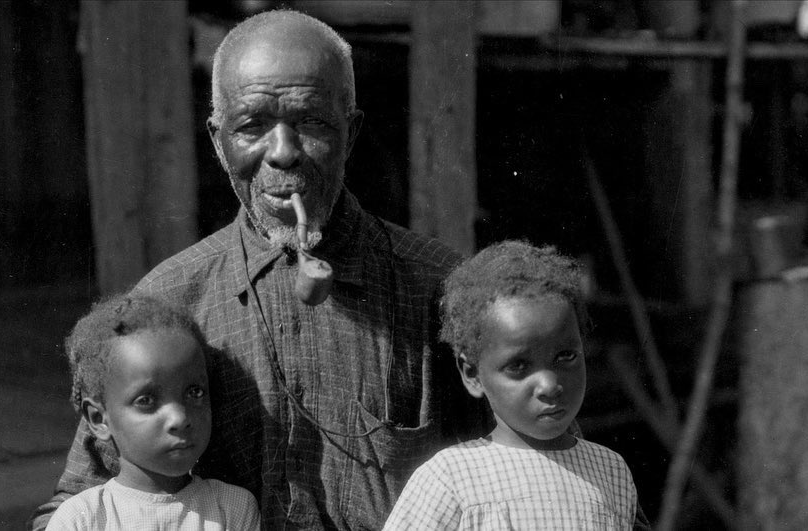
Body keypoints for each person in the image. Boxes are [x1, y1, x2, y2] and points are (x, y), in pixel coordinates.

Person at [31, 9, 485, 530]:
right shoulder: (172, 302)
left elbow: (521, 473)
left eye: (312, 121)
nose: (284, 153)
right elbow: (81, 500)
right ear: (218, 141)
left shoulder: (438, 290)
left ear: (352, 132)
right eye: (251, 126)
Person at [383, 240, 640, 530]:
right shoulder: (453, 477)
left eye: (565, 356)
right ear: (472, 374)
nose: (548, 385)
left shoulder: (611, 470)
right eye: (518, 366)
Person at [46, 294, 260, 530]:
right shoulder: (82, 519)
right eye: (146, 400)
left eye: (195, 393)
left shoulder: (232, 509)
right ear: (99, 419)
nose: (179, 418)